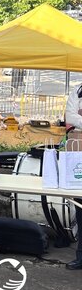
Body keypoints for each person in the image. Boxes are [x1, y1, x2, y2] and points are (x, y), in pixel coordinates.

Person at [65, 83, 82, 270]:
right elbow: (70, 116)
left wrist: (80, 116)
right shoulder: (78, 90)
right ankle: (81, 255)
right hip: (80, 151)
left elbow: (75, 117)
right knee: (80, 207)